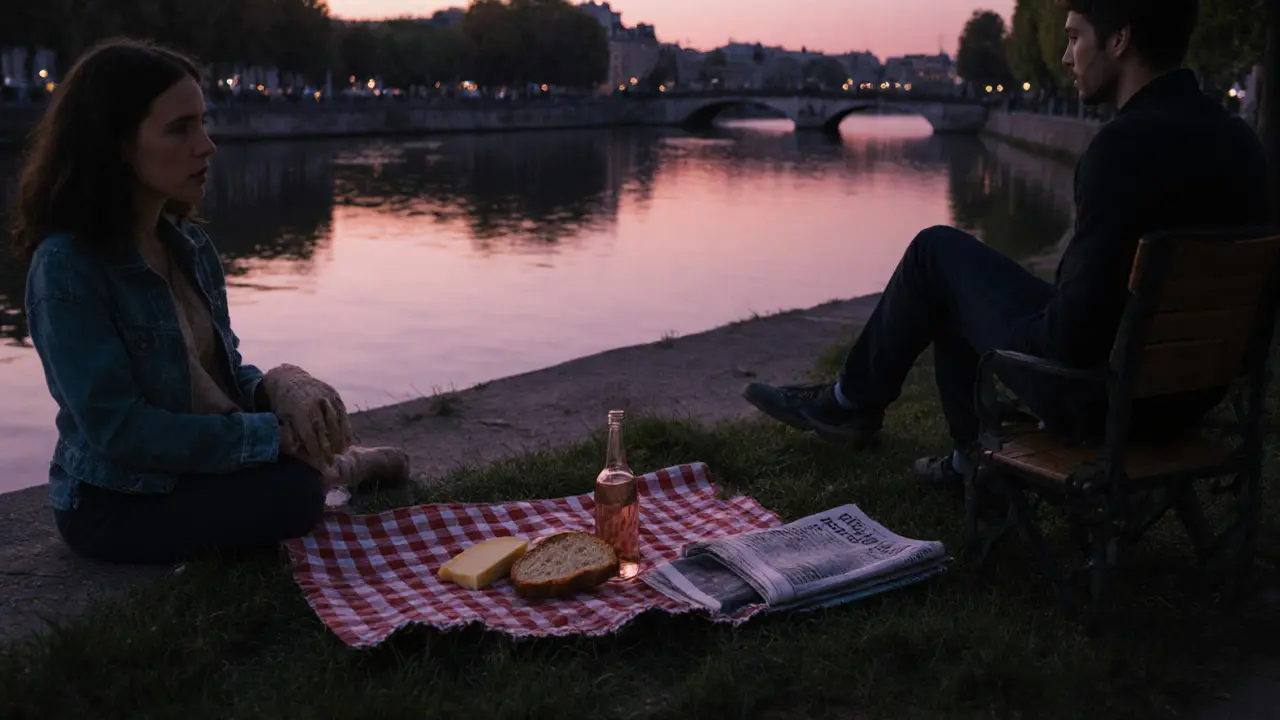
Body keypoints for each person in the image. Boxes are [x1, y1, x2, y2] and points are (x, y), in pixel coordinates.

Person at [744, 0, 1272, 487]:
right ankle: (957, 456)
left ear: (1119, 41)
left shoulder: (1122, 149)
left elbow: (1072, 342)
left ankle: (856, 406)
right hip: (1191, 398)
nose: (1066, 56)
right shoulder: (1243, 143)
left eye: (1073, 38)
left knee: (936, 256)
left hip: (1104, 401)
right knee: (965, 281)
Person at [12, 38, 410, 565]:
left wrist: (279, 392)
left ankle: (331, 464)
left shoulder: (188, 243)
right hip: (116, 500)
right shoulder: (67, 266)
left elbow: (219, 374)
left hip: (191, 463)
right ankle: (341, 469)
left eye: (203, 121)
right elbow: (119, 429)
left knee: (290, 478)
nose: (207, 145)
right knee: (290, 495)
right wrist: (273, 437)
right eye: (180, 128)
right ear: (116, 145)